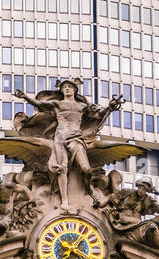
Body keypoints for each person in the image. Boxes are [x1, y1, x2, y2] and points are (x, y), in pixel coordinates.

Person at [13, 80, 123, 210]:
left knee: (87, 169)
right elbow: (39, 104)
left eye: (69, 87)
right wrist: (25, 97)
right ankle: (64, 200)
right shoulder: (57, 104)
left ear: (75, 90)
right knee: (62, 167)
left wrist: (110, 108)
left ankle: (89, 190)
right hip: (60, 138)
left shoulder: (82, 106)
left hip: (76, 138)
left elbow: (99, 115)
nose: (66, 89)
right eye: (64, 87)